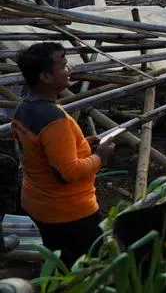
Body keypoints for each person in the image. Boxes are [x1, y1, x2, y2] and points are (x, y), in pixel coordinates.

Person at [11, 42, 115, 267]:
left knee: (60, 261)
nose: (70, 70)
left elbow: (41, 154)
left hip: (38, 203)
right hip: (68, 212)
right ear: (46, 77)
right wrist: (100, 158)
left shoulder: (24, 108)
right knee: (91, 266)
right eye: (64, 65)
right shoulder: (54, 120)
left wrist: (82, 145)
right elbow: (67, 172)